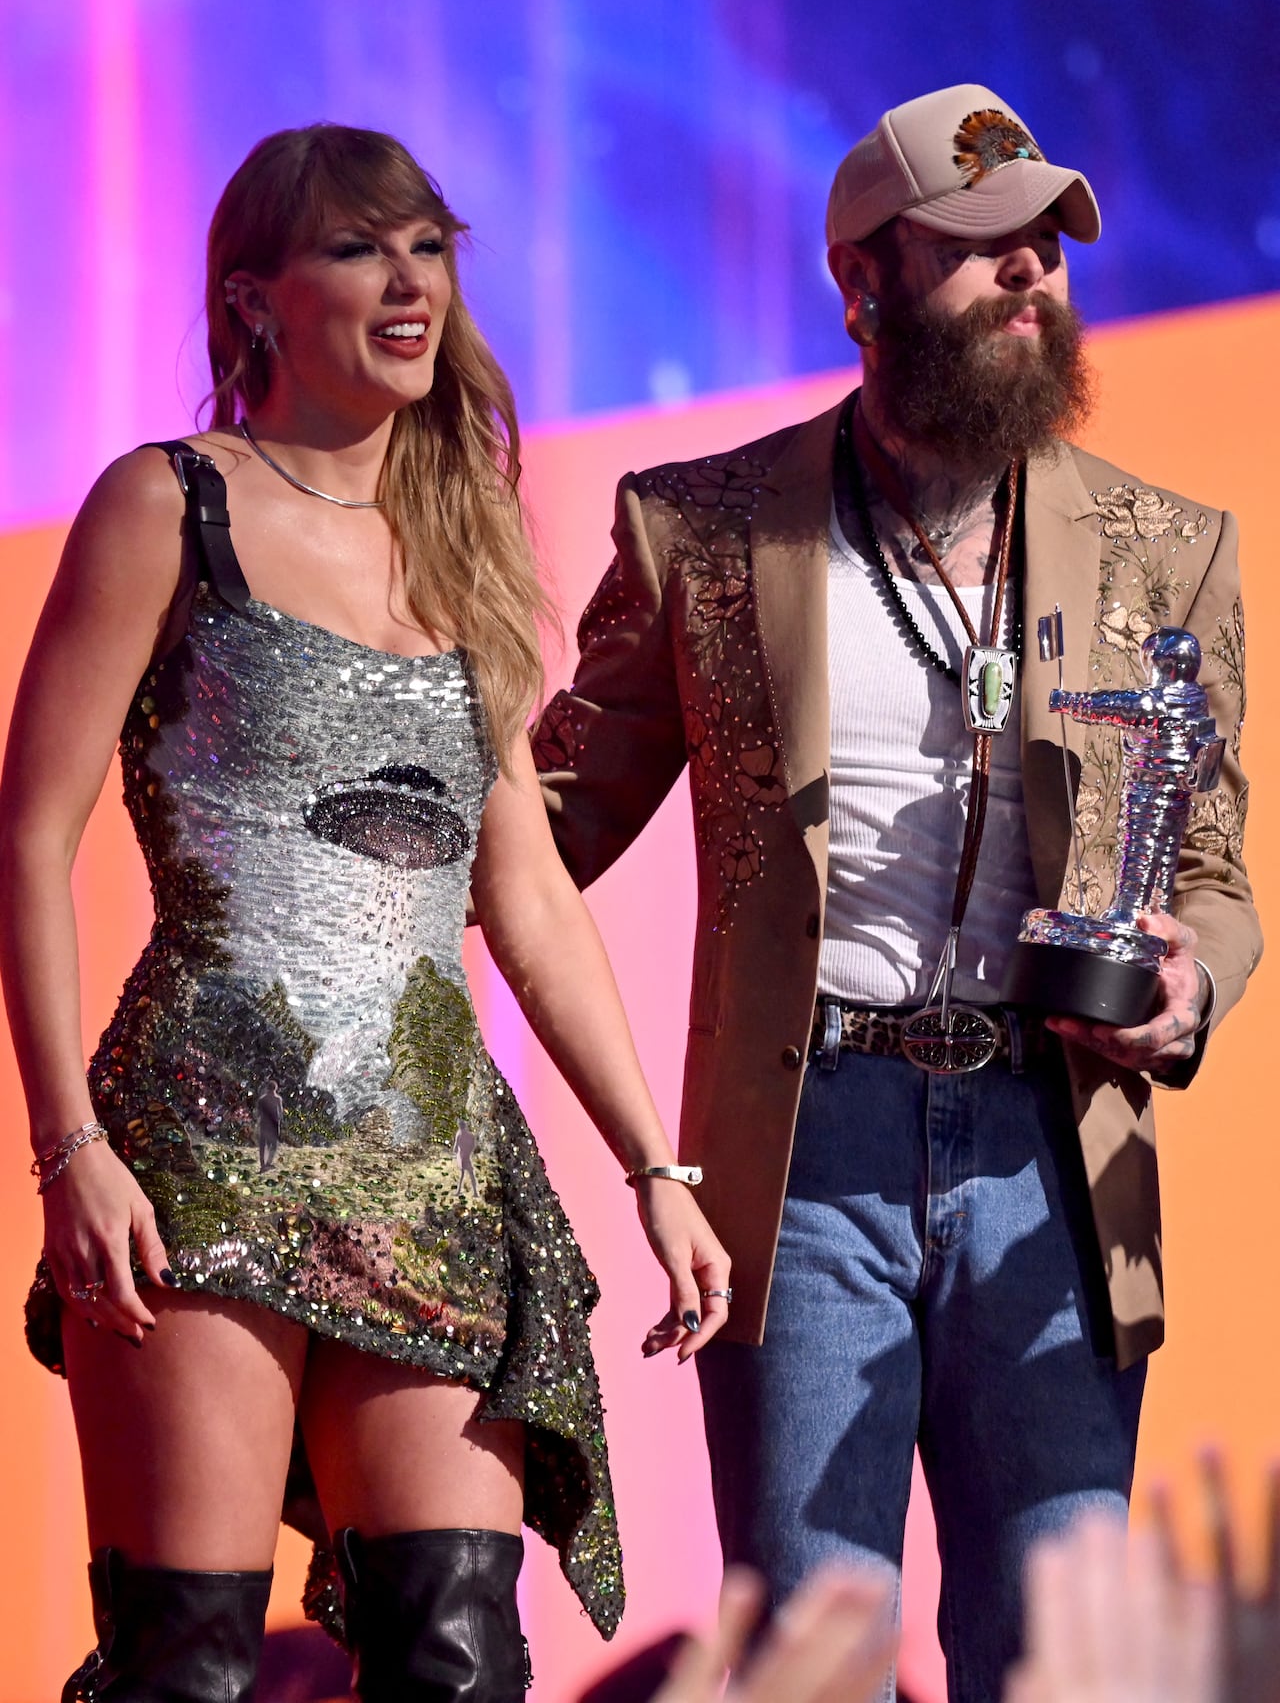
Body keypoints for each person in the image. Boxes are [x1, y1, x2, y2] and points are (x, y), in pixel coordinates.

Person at [532, 82, 1259, 1700]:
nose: (1032, 281)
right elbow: (549, 826)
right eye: (983, 248)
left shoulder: (1164, 546)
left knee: (1059, 1660)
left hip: (1052, 1153)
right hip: (806, 1151)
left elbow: (1210, 866)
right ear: (861, 284)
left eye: (1049, 250)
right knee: (808, 1654)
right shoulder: (700, 531)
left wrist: (1193, 977)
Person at [0, 124, 730, 1702]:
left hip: (434, 1168)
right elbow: (31, 833)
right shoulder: (164, 505)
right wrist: (70, 1147)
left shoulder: (465, 542)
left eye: (428, 246)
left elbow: (525, 895)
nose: (409, 281)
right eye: (357, 248)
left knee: (456, 1660)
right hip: (199, 1155)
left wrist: (654, 1168)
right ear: (254, 297)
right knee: (185, 1668)